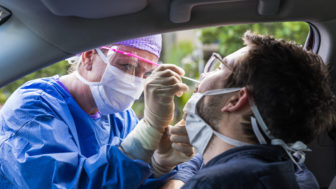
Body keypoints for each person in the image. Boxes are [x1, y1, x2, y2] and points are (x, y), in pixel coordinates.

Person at [0, 35, 193, 188]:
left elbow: (124, 183)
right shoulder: (32, 108)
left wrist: (158, 166)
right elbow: (64, 184)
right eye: (127, 65)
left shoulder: (121, 117)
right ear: (88, 57)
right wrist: (147, 133)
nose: (135, 81)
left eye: (146, 73)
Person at [163, 31, 336, 189]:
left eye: (219, 68)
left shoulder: (215, 183)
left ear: (236, 99)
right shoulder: (289, 170)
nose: (203, 75)